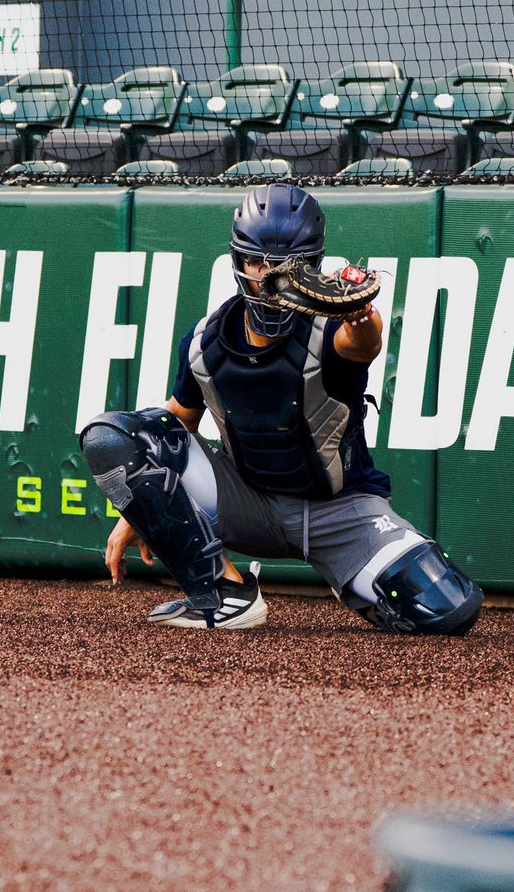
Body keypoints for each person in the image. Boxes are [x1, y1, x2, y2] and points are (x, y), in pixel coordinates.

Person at [79, 183, 483, 635]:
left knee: (446, 607)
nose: (269, 276)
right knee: (113, 438)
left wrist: (360, 312)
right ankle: (223, 594)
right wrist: (138, 510)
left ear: (312, 267)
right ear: (238, 262)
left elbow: (364, 343)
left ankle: (357, 578)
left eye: (289, 267)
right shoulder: (203, 341)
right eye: (257, 262)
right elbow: (174, 426)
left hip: (342, 512)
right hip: (247, 503)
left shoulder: (331, 329)